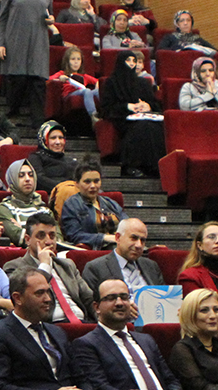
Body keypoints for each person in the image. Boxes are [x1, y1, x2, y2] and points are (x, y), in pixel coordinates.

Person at [0, 0, 56, 130]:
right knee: (17, 79)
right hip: (16, 41)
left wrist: (51, 20)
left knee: (37, 81)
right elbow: (2, 20)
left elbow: (49, 14)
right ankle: (13, 113)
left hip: (38, 41)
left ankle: (38, 122)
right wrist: (0, 44)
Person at [1, 213, 95, 321]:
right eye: (41, 236)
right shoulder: (15, 267)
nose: (49, 241)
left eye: (52, 236)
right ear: (27, 239)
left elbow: (89, 299)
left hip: (82, 322)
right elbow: (25, 304)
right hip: (48, 325)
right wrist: (45, 265)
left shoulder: (67, 265)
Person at [99, 50, 165, 179]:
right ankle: (132, 166)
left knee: (155, 126)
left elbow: (156, 104)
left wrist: (148, 106)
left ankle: (155, 167)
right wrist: (128, 107)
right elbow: (106, 108)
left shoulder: (143, 83)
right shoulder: (112, 82)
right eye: (128, 60)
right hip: (123, 117)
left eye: (134, 61)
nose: (131, 64)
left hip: (145, 116)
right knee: (141, 126)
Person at [81, 218, 165, 294]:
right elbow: (92, 306)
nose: (139, 245)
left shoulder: (151, 266)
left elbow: (163, 298)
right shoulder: (95, 268)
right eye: (134, 238)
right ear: (118, 238)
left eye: (142, 240)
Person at [59, 162, 121, 249]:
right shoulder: (71, 205)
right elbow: (74, 235)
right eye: (87, 182)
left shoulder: (110, 203)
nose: (93, 186)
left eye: (96, 181)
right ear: (77, 184)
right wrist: (104, 238)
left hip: (119, 247)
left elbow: (127, 225)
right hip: (94, 250)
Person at [0, 159, 48, 246]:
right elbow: (19, 238)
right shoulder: (4, 208)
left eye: (31, 175)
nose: (27, 179)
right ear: (12, 180)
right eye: (21, 176)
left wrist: (23, 229)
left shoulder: (43, 208)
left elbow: (57, 239)